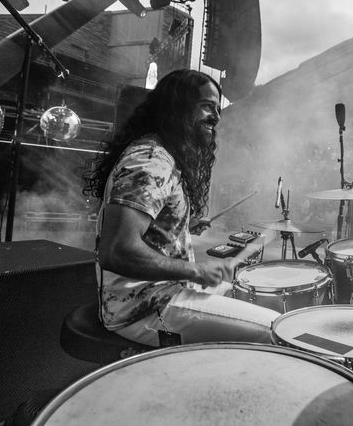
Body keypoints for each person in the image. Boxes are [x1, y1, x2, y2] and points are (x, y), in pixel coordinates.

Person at [83, 69, 279, 347]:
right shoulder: (150, 160)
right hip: (144, 307)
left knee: (262, 299)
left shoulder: (162, 154)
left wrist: (180, 227)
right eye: (207, 106)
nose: (216, 116)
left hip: (168, 291)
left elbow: (144, 231)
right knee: (278, 330)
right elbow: (116, 252)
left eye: (218, 109)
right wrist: (197, 271)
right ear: (177, 107)